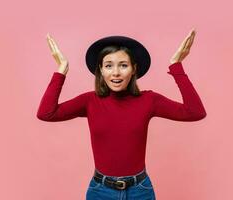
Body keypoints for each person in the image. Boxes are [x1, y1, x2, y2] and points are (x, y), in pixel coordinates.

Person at [36, 29, 207, 200]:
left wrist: (176, 65)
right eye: (108, 65)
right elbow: (46, 113)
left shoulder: (149, 100)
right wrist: (61, 70)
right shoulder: (90, 101)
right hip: (100, 191)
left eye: (123, 65)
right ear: (101, 70)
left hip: (140, 191)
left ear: (134, 69)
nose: (116, 72)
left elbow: (195, 112)